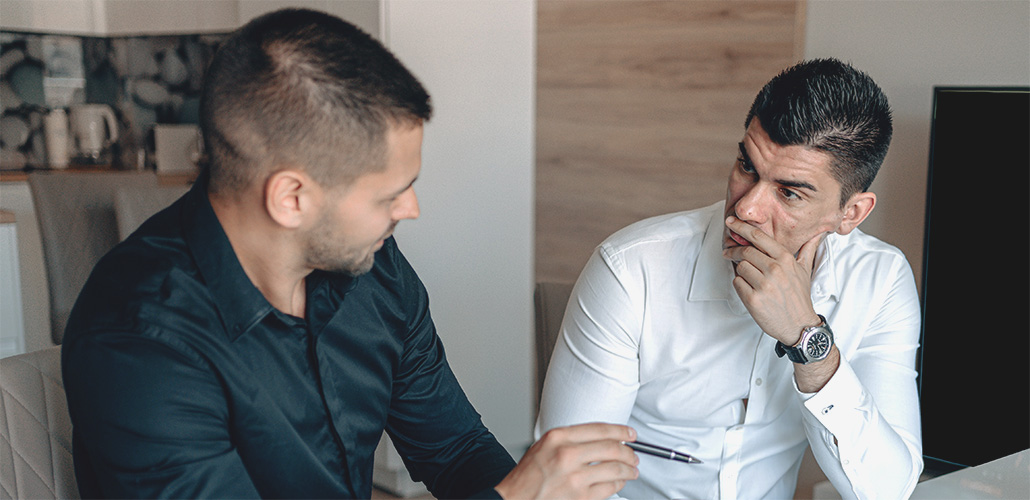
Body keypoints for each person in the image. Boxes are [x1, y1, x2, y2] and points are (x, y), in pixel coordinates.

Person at [62, 8, 640, 499]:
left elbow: (455, 450)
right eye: (389, 193)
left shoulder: (376, 271)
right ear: (292, 197)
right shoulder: (139, 338)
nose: (411, 209)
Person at [536, 58, 923, 499]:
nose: (746, 209)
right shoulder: (631, 269)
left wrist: (809, 342)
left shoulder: (881, 279)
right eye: (746, 166)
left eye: (789, 192)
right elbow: (565, 484)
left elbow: (888, 490)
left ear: (850, 213)